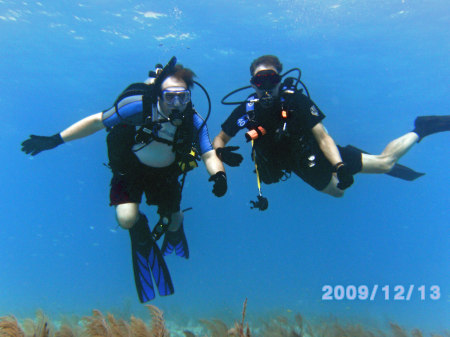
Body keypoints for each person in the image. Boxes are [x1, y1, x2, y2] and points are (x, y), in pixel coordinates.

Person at [21, 57, 227, 302]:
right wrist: (55, 139)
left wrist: (219, 175)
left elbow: (207, 153)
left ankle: (174, 226)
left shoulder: (193, 119)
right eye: (169, 96)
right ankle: (139, 228)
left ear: (189, 96)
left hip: (166, 173)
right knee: (126, 218)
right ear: (157, 94)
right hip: (130, 169)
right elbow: (98, 121)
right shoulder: (136, 107)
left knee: (173, 222)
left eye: (182, 97)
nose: (176, 104)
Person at [213, 55, 449, 209]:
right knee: (339, 193)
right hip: (295, 164)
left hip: (318, 151)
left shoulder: (296, 101)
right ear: (253, 83)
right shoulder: (247, 110)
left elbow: (323, 137)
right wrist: (222, 154)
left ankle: (421, 128)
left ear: (279, 79)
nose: (266, 85)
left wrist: (339, 166)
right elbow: (219, 139)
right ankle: (363, 158)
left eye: (271, 78)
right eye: (260, 80)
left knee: (385, 164)